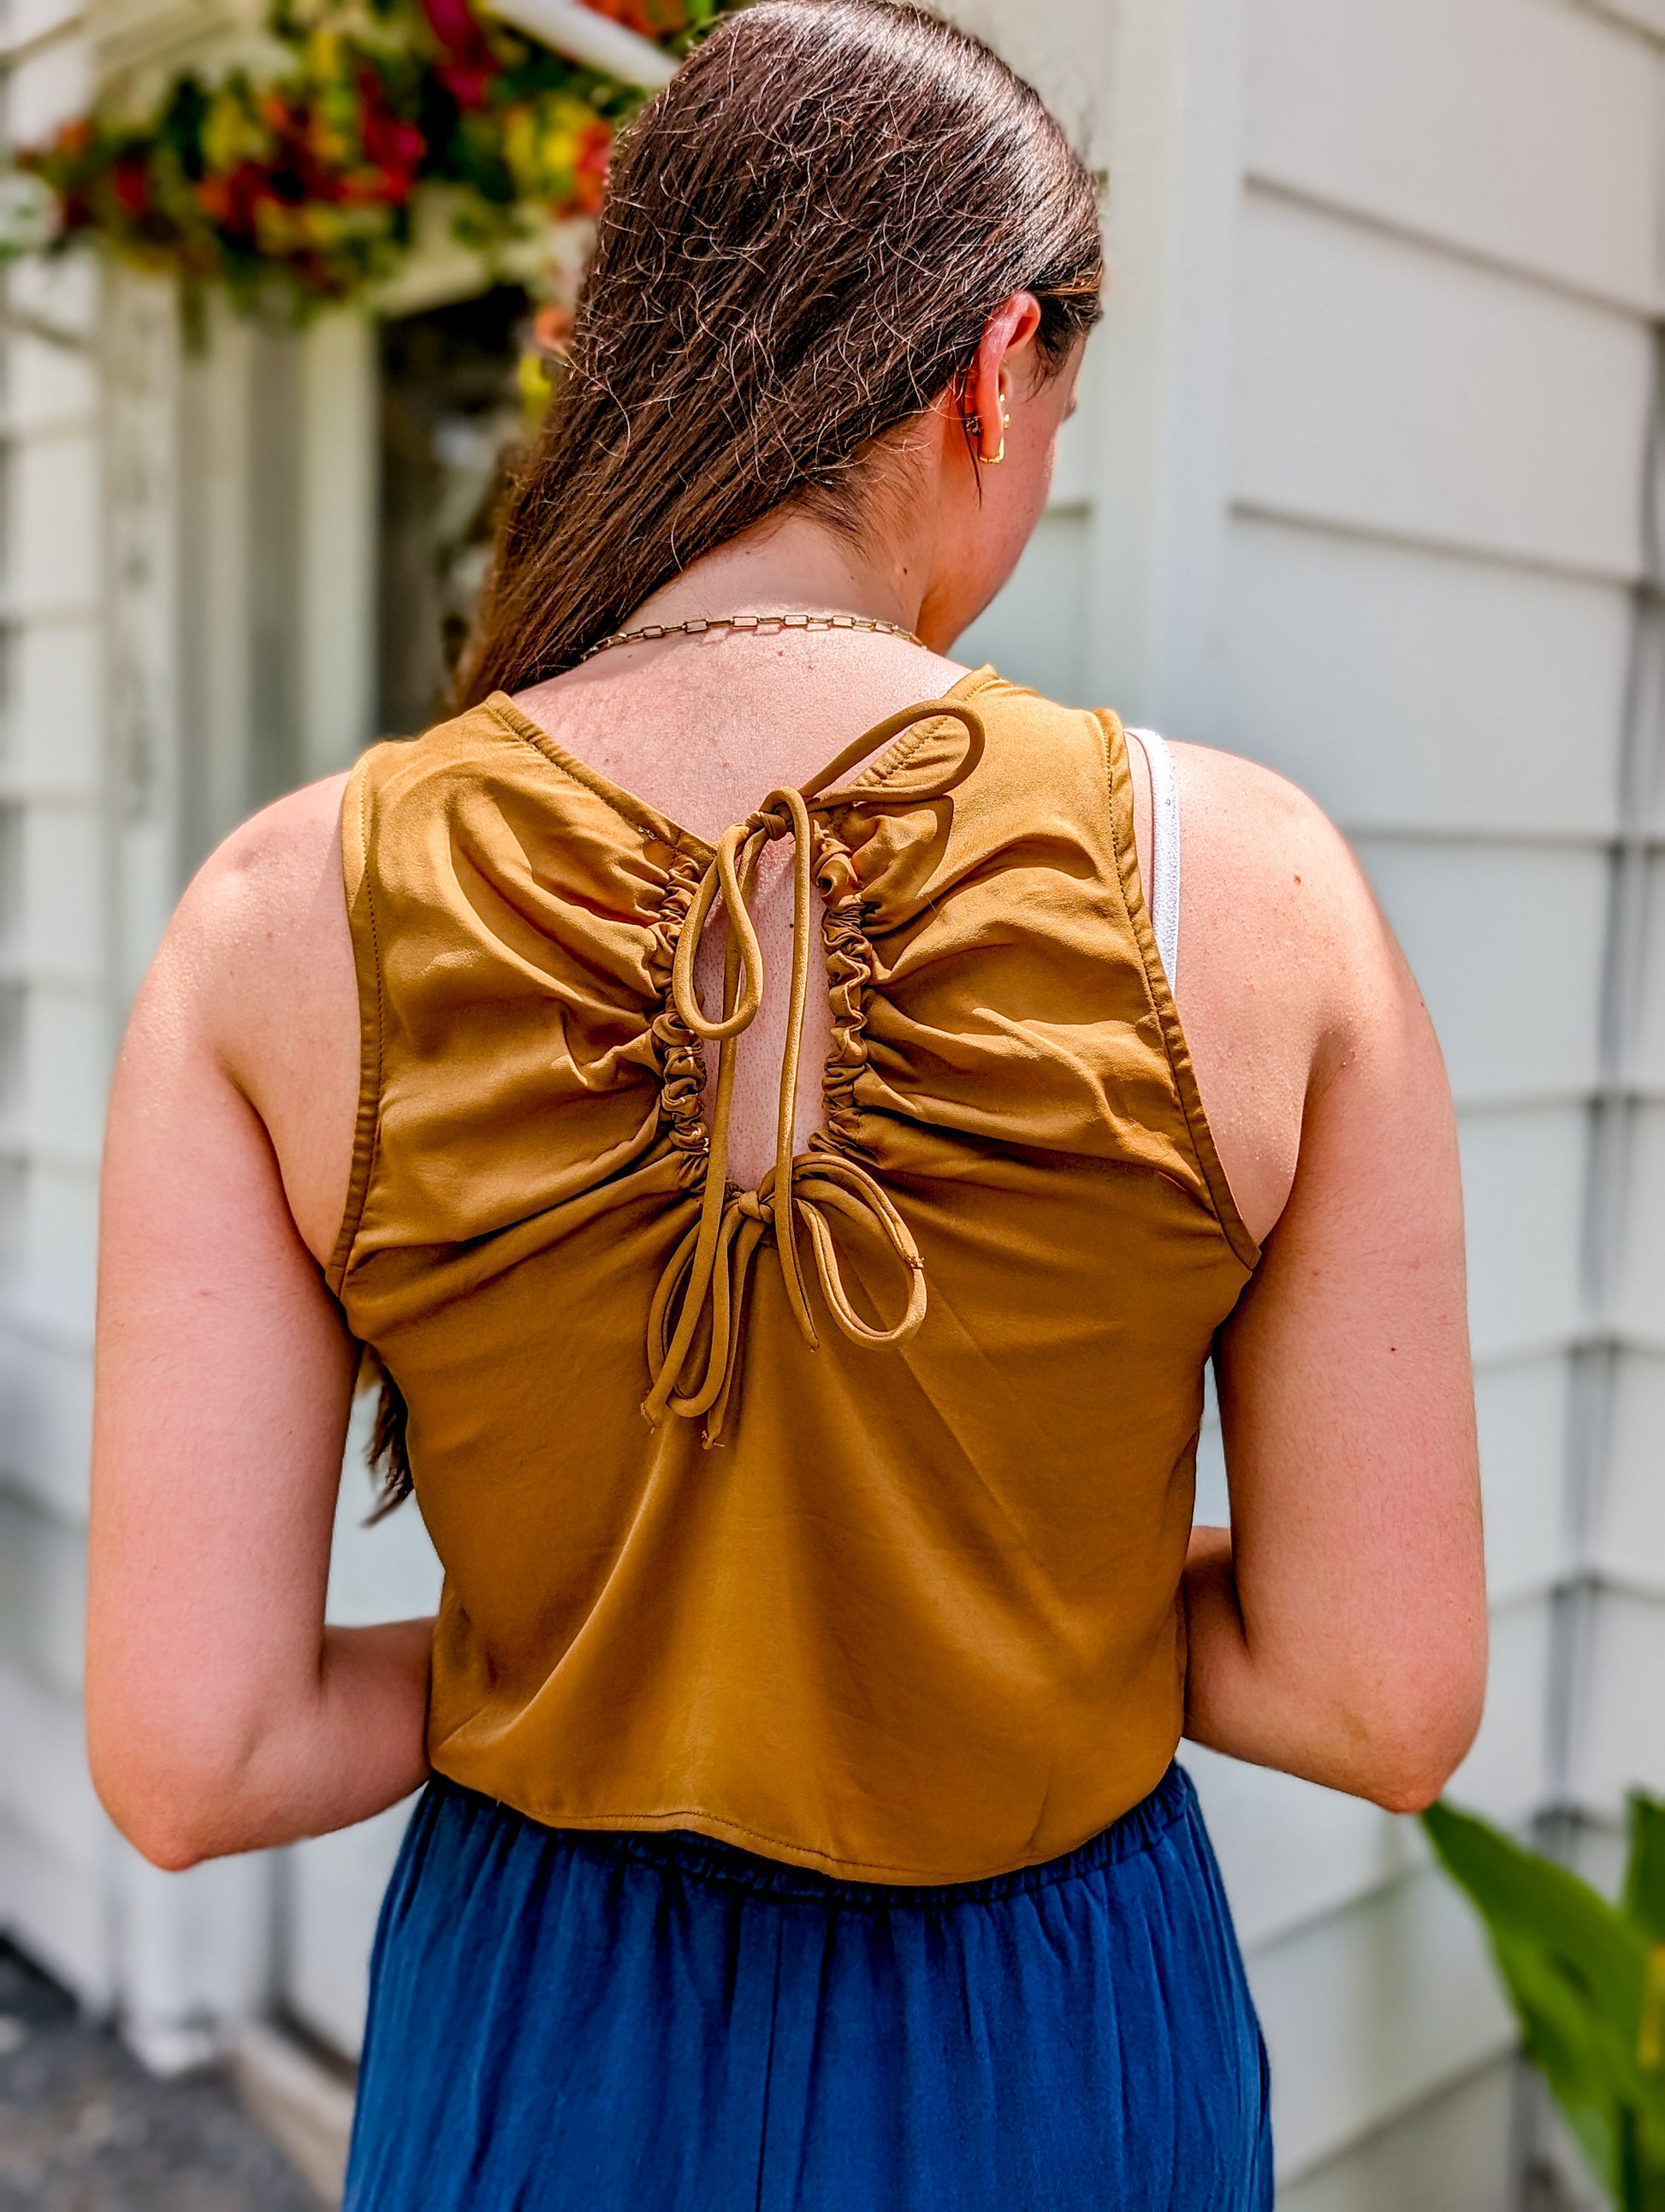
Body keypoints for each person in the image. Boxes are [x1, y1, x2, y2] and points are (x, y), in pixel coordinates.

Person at [87, 3, 1486, 2205]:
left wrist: (597, 1641)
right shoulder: (1264, 892)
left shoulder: (280, 914)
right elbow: (1376, 1700)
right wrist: (1014, 1611)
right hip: (1054, 2042)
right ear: (994, 369)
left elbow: (196, 1757)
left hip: (543, 2036)